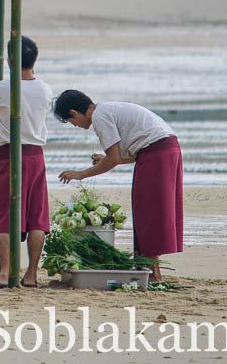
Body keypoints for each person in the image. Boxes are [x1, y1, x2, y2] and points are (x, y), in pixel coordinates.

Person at [53, 90, 183, 281]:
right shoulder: (106, 110)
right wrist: (106, 159)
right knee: (147, 209)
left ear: (74, 112)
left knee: (148, 211)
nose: (76, 126)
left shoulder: (99, 117)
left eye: (72, 121)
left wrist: (81, 174)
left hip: (158, 152)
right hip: (162, 150)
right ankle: (146, 268)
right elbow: (127, 154)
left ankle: (153, 273)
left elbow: (113, 159)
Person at [0, 36, 53, 288]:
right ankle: (31, 273)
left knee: (4, 212)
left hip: (9, 155)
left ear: (9, 61)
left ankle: (5, 271)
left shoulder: (1, 87)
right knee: (37, 215)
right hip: (36, 156)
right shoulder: (45, 89)